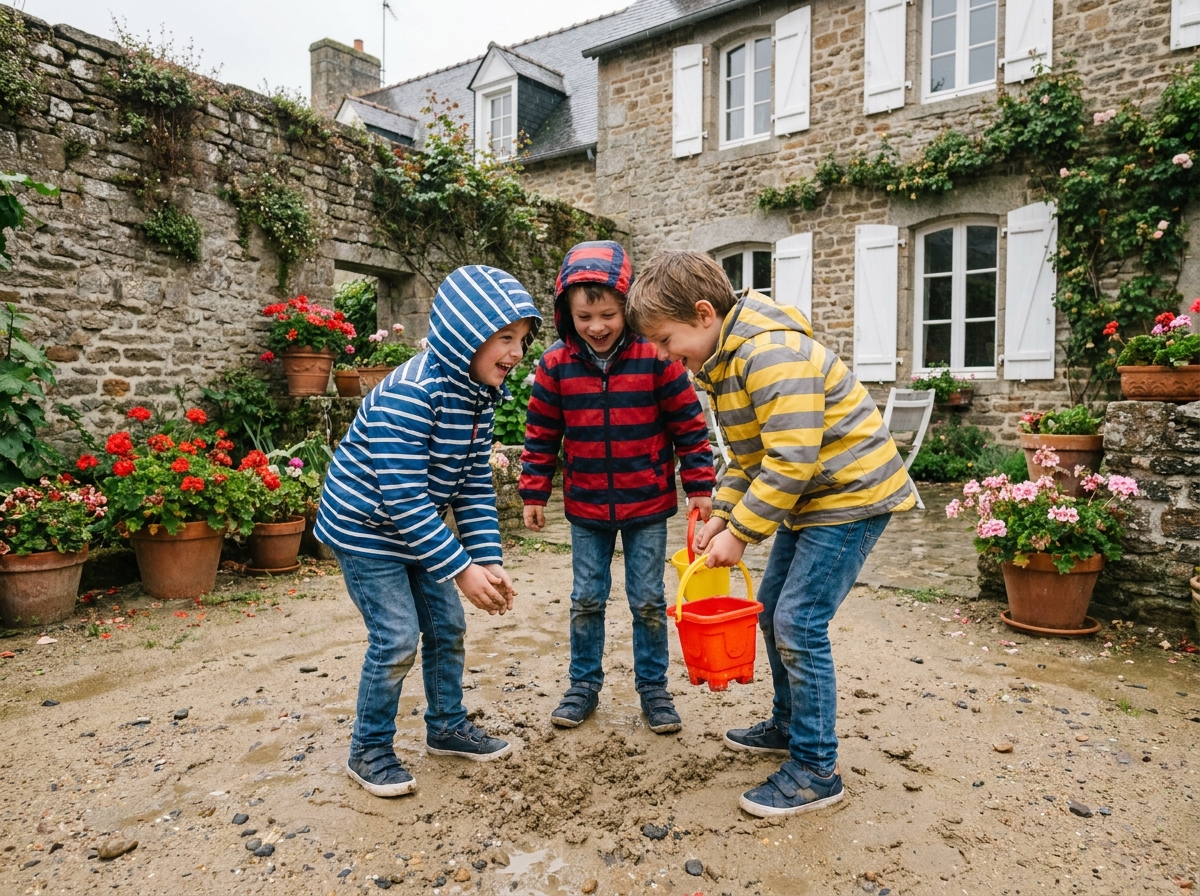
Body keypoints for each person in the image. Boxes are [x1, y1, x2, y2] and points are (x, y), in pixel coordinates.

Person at [624, 250, 914, 817]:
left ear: (704, 314)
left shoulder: (768, 354)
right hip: (815, 498)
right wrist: (719, 518)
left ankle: (815, 769)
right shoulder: (726, 362)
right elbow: (749, 459)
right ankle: (789, 725)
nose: (661, 355)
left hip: (852, 497)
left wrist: (741, 535)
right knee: (772, 607)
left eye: (664, 340)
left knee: (798, 622)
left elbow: (790, 462)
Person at [315, 265, 541, 798]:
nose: (515, 353)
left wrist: (486, 558)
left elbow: (470, 488)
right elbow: (405, 497)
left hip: (417, 531)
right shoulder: (410, 395)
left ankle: (445, 727)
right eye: (504, 337)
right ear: (468, 330)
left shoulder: (478, 395)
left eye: (522, 341)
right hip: (366, 530)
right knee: (395, 638)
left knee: (446, 626)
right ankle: (368, 749)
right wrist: (460, 569)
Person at [519, 241, 716, 734]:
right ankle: (582, 685)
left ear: (627, 306)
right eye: (585, 316)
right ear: (568, 313)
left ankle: (654, 689)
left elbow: (689, 426)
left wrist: (700, 487)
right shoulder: (554, 365)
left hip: (647, 502)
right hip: (586, 507)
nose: (597, 326)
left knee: (647, 600)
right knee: (586, 598)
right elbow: (542, 433)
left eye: (608, 313)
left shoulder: (658, 356)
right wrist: (533, 492)